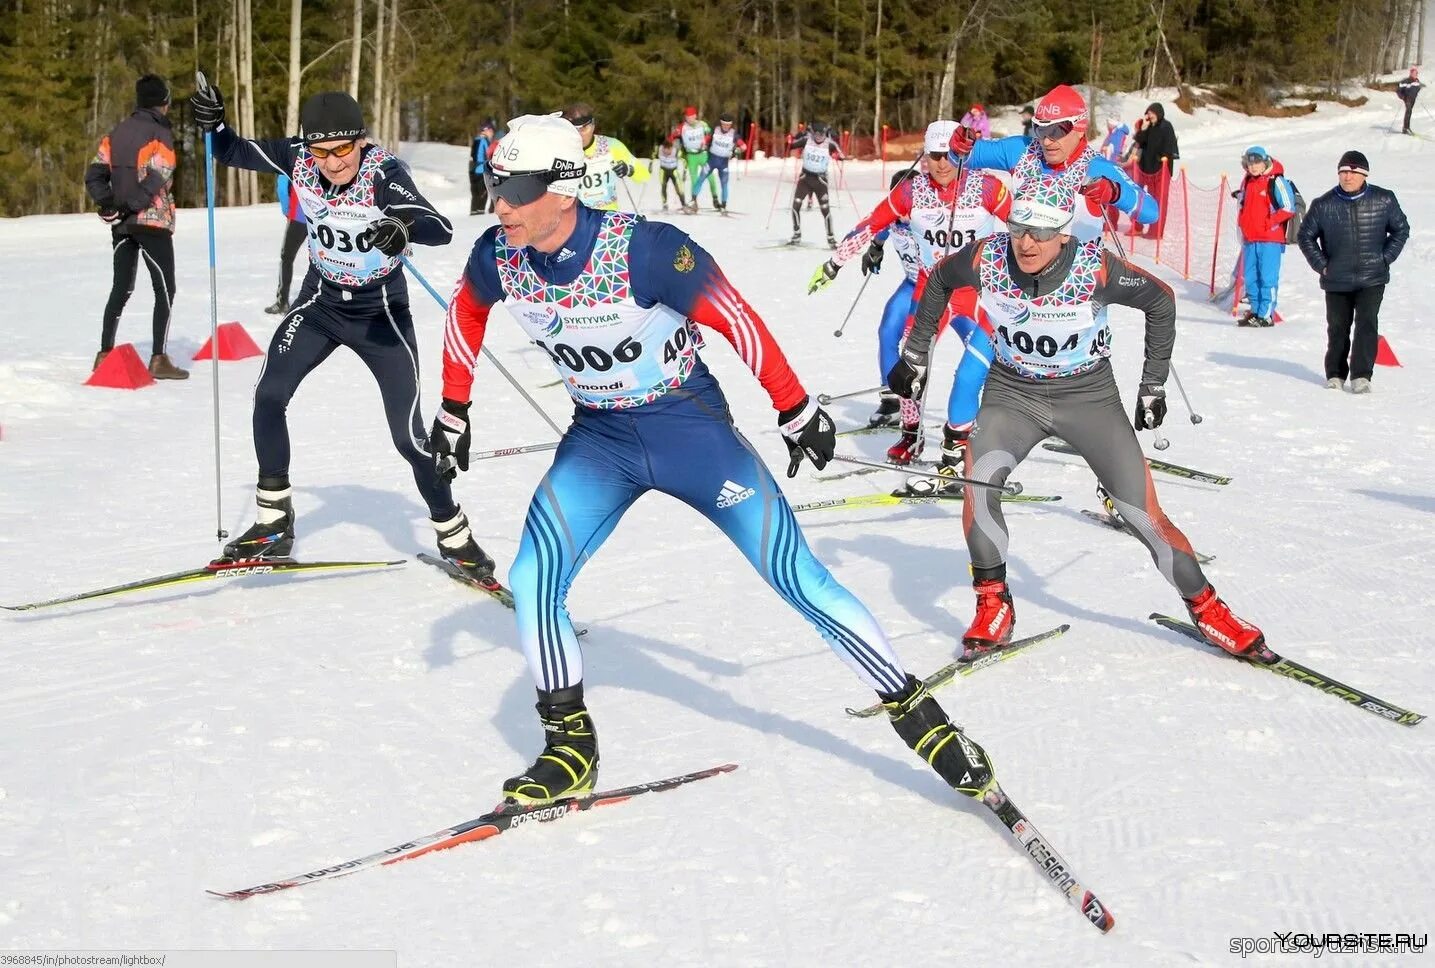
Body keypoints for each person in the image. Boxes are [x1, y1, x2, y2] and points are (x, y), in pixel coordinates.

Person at [433, 113, 1001, 807]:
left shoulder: (643, 250)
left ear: (565, 189)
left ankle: (922, 721)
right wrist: (453, 408)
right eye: (498, 186)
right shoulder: (499, 255)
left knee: (794, 576)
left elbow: (734, 318)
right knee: (532, 578)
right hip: (600, 441)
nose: (502, 206)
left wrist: (794, 409)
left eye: (518, 190)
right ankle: (569, 747)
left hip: (687, 431)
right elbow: (465, 312)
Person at [886, 196, 1268, 662]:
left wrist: (1152, 385)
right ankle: (992, 602)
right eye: (1018, 229)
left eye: (1041, 233)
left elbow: (1161, 301)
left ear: (1064, 234)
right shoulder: (987, 257)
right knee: (978, 485)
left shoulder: (1094, 269)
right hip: (1013, 395)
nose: (1026, 242)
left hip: (1089, 399)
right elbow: (942, 277)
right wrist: (917, 350)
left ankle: (1208, 609)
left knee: (1142, 515)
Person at [187, 83, 493, 576]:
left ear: (361, 141)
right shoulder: (298, 157)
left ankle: (453, 532)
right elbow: (231, 150)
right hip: (321, 301)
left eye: (343, 150)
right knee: (269, 396)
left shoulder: (383, 173)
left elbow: (440, 227)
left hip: (380, 314)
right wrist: (215, 124)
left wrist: (402, 227)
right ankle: (274, 521)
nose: (332, 162)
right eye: (321, 151)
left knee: (409, 439)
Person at [808, 120, 1011, 468]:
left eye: (949, 154)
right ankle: (910, 433)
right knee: (911, 366)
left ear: (962, 153)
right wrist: (834, 263)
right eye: (934, 155)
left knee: (999, 360)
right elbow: (871, 224)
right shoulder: (911, 191)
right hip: (932, 291)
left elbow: (1025, 226)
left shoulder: (986, 187)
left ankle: (992, 429)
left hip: (981, 291)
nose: (943, 163)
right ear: (925, 156)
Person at [946, 84, 1158, 244]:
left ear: (1080, 128)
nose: (1046, 141)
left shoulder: (1096, 167)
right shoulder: (1022, 151)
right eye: (1041, 129)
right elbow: (963, 157)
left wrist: (1115, 192)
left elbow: (1151, 213)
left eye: (1057, 130)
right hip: (1028, 287)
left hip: (1077, 291)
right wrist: (960, 144)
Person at [83, 74, 188, 379]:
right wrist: (128, 206)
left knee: (121, 288)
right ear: (164, 102)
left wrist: (108, 204)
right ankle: (159, 359)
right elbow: (158, 177)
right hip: (151, 221)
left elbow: (94, 174)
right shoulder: (161, 133)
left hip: (122, 224)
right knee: (165, 288)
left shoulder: (115, 133)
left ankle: (104, 353)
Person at [1296, 150, 1410, 393]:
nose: (1347, 177)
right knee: (1337, 327)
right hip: (1336, 278)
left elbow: (1401, 229)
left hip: (1372, 277)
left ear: (1364, 175)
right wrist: (1321, 265)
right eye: (1343, 172)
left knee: (1367, 324)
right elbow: (1305, 236)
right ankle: (1335, 374)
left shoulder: (1384, 199)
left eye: (1353, 172)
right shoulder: (1323, 204)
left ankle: (1361, 376)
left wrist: (1385, 258)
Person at [1233, 146, 1296, 328]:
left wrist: (1269, 222)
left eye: (1257, 163)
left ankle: (1266, 315)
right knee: (1250, 277)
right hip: (1251, 238)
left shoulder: (1276, 180)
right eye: (1250, 164)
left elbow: (1288, 208)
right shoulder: (1248, 181)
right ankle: (1255, 311)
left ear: (1264, 162)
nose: (1253, 167)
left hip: (1270, 239)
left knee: (1267, 278)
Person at [561, 103, 649, 211]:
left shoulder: (612, 145)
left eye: (584, 128)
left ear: (593, 125)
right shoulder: (562, 151)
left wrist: (628, 169)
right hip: (577, 218)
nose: (580, 134)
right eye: (574, 129)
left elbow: (644, 175)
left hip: (607, 217)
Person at [788, 122, 845, 246]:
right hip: (805, 178)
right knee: (795, 207)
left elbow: (841, 155)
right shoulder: (806, 140)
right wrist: (789, 141)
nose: (819, 137)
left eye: (821, 134)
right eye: (816, 134)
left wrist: (837, 156)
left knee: (825, 210)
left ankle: (831, 239)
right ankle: (796, 234)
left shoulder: (830, 143)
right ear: (812, 133)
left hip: (820, 181)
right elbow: (791, 146)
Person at [1128, 102, 1178, 239]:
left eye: (1152, 113)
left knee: (1159, 201)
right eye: (1148, 113)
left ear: (1158, 113)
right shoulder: (1149, 127)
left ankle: (1155, 231)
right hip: (1146, 170)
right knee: (1143, 200)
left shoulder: (1166, 126)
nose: (1150, 115)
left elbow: (1169, 148)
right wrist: (1143, 129)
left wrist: (1159, 157)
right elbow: (1139, 140)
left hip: (1161, 170)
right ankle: (1138, 227)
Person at [264, 171, 310, 315]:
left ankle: (282, 302)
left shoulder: (290, 160)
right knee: (323, 261)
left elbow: (283, 187)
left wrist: (287, 211)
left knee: (287, 258)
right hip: (321, 216)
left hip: (299, 217)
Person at [692, 113, 747, 212]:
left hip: (723, 163)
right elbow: (706, 139)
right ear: (721, 124)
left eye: (728, 125)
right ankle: (693, 200)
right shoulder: (715, 130)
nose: (726, 127)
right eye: (724, 124)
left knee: (724, 184)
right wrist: (703, 144)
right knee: (701, 178)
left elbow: (744, 146)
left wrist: (738, 150)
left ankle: (724, 205)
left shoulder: (733, 134)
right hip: (711, 161)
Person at [676, 106, 718, 212]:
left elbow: (710, 133)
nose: (689, 119)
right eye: (687, 117)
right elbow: (672, 137)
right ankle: (694, 203)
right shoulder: (682, 127)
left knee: (711, 178)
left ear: (695, 116)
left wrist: (705, 139)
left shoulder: (702, 125)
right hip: (691, 156)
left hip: (703, 154)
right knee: (694, 180)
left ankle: (715, 198)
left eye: (691, 116)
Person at [470, 120, 497, 215]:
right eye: (491, 130)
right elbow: (486, 155)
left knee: (476, 195)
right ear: (486, 130)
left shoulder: (477, 139)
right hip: (481, 170)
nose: (492, 133)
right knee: (482, 194)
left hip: (473, 170)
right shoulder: (484, 141)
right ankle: (478, 215)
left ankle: (474, 212)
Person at [655, 134, 685, 211]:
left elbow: (684, 161)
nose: (667, 151)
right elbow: (653, 158)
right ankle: (664, 203)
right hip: (663, 170)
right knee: (663, 186)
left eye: (669, 149)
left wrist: (685, 172)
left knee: (679, 187)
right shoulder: (660, 149)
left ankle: (683, 203)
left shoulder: (676, 151)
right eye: (666, 149)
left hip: (673, 170)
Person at [1397, 67, 1423, 135]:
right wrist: (1403, 97)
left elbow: (1418, 88)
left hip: (1413, 99)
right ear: (1411, 73)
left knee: (1409, 112)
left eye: (1416, 73)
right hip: (1407, 98)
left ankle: (1405, 128)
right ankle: (1406, 128)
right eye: (1414, 73)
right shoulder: (1406, 81)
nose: (1415, 74)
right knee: (1408, 111)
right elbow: (1398, 90)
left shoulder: (1417, 81)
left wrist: (1415, 93)